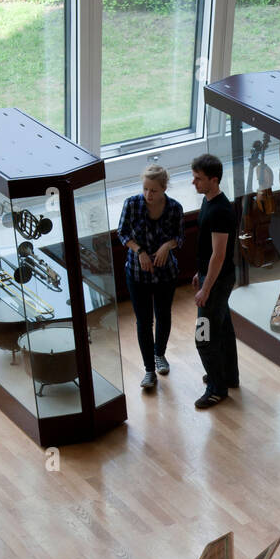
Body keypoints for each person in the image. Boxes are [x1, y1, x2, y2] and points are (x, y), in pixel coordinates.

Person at [117, 165, 185, 391]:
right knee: (144, 321)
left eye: (154, 190)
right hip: (137, 273)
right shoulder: (132, 204)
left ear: (164, 188)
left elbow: (179, 237)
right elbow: (123, 233)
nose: (148, 195)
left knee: (163, 315)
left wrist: (168, 245)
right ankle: (148, 370)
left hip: (166, 273)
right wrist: (139, 252)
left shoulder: (175, 208)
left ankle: (160, 354)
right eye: (145, 189)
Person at [191, 153, 239, 408]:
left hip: (218, 282)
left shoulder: (220, 210)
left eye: (198, 178)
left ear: (214, 179)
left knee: (204, 337)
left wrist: (206, 288)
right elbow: (209, 251)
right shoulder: (208, 201)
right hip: (213, 277)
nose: (193, 182)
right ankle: (228, 376)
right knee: (223, 329)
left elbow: (219, 255)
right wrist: (201, 272)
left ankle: (217, 389)